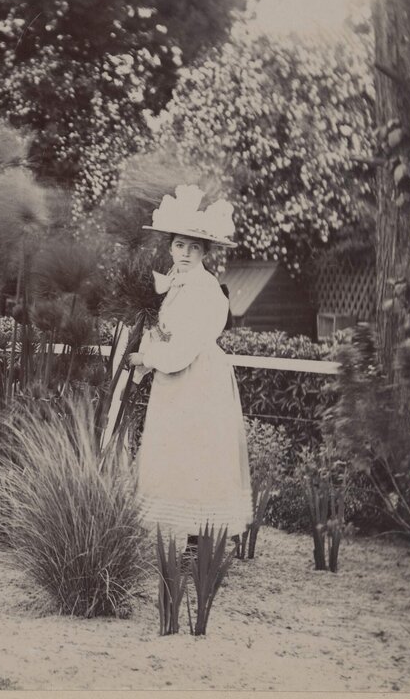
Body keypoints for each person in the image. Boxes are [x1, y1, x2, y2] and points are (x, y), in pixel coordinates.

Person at [128, 185, 252, 552]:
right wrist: (145, 351)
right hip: (174, 377)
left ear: (205, 253)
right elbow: (163, 330)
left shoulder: (206, 289)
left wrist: (147, 360)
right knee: (175, 455)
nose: (185, 253)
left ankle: (199, 547)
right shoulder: (172, 282)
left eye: (194, 247)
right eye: (180, 245)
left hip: (198, 376)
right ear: (170, 246)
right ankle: (185, 541)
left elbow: (186, 344)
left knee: (198, 453)